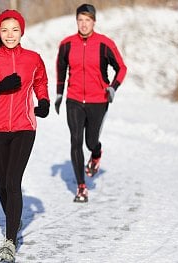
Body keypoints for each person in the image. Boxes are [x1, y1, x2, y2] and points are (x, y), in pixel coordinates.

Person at [0, 9, 49, 262]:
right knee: (3, 186)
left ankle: (10, 240)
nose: (10, 34)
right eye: (4, 30)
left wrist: (43, 101)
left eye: (14, 29)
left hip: (25, 127)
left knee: (13, 183)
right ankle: (14, 218)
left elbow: (40, 82)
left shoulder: (33, 59)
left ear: (22, 31)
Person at [55, 3, 127, 203]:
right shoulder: (67, 44)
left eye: (87, 20)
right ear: (76, 21)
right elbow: (61, 70)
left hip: (98, 100)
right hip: (75, 99)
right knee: (76, 140)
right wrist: (60, 94)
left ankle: (96, 153)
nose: (84, 24)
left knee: (90, 142)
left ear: (94, 21)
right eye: (80, 20)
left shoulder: (105, 44)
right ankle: (81, 187)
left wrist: (113, 87)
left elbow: (121, 68)